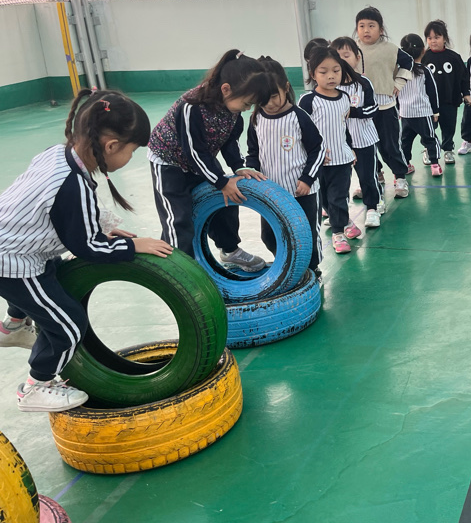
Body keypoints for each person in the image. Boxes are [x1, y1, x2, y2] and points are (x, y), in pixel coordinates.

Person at [0, 89, 173, 412]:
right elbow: (88, 248)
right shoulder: (71, 183)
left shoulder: (59, 154)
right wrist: (132, 245)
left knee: (52, 275)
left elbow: (70, 211)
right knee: (68, 324)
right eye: (132, 151)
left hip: (17, 244)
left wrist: (101, 227)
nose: (130, 158)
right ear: (111, 146)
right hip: (12, 260)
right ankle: (36, 386)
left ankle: (11, 326)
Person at [148, 49, 273, 268]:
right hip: (170, 162)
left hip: (201, 159)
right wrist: (220, 181)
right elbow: (194, 152)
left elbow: (229, 140)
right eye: (246, 103)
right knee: (178, 218)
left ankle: (230, 251)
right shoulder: (191, 107)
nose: (246, 109)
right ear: (226, 89)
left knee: (226, 200)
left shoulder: (233, 110)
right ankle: (179, 267)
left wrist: (238, 167)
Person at [245, 57, 325, 275]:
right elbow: (253, 153)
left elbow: (318, 149)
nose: (269, 103)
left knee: (306, 235)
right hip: (271, 193)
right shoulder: (256, 119)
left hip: (302, 193)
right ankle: (287, 265)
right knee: (269, 236)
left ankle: (311, 271)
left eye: (273, 96)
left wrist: (307, 179)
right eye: (262, 99)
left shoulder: (299, 117)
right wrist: (252, 174)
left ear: (286, 87)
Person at [297, 46, 359, 254]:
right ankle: (343, 220)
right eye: (323, 72)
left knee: (338, 196)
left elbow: (343, 127)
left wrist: (350, 149)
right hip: (317, 162)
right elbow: (301, 132)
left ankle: (338, 233)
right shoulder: (307, 101)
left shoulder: (344, 98)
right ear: (313, 74)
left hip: (341, 159)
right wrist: (310, 156)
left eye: (336, 70)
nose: (331, 76)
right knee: (323, 198)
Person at [355, 6, 414, 198]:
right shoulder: (352, 49)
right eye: (361, 26)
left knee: (389, 145)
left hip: (385, 107)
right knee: (365, 147)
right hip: (361, 110)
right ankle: (374, 177)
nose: (366, 30)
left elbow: (408, 63)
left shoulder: (390, 49)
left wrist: (399, 83)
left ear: (380, 29)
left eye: (371, 25)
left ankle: (400, 177)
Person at [331, 37, 383, 227]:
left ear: (357, 58)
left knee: (367, 177)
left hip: (364, 140)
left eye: (346, 55)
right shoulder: (330, 87)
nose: (342, 60)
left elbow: (373, 109)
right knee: (339, 182)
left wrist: (352, 112)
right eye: (337, 56)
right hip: (339, 143)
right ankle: (338, 215)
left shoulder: (363, 83)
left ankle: (372, 208)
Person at [422, 20, 470, 166]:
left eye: (437, 37)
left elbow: (464, 77)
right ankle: (429, 150)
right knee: (429, 128)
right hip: (429, 103)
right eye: (429, 38)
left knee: (449, 126)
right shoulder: (424, 58)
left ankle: (448, 149)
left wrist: (465, 93)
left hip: (449, 100)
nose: (433, 41)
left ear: (445, 38)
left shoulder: (454, 57)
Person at [397, 34, 442, 177]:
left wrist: (398, 109)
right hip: (423, 113)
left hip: (405, 113)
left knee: (405, 141)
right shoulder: (425, 71)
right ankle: (435, 165)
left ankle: (405, 165)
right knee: (430, 138)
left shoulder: (398, 72)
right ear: (423, 50)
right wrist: (435, 111)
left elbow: (395, 92)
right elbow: (432, 92)